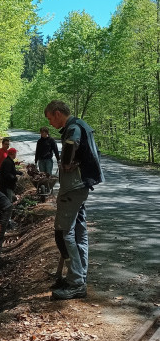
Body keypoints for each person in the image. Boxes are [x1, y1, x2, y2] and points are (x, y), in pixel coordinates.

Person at [44, 100, 104, 300]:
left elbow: (72, 143)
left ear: (58, 113)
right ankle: (79, 275)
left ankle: (76, 282)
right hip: (82, 185)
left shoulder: (73, 128)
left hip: (73, 187)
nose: (51, 123)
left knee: (63, 233)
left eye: (51, 118)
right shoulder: (81, 124)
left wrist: (66, 163)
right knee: (79, 231)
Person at [0, 148, 23, 223]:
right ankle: (6, 221)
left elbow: (12, 171)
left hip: (6, 185)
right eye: (15, 153)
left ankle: (6, 219)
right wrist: (15, 178)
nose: (16, 154)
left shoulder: (9, 161)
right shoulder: (8, 162)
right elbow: (7, 174)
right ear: (12, 154)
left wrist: (19, 173)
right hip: (6, 186)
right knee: (8, 204)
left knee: (9, 201)